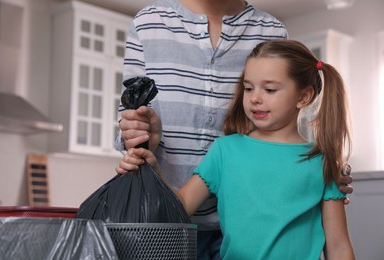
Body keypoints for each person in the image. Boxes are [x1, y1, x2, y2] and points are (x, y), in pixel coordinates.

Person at [116, 0, 353, 258]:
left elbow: (338, 246)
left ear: (304, 97)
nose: (254, 98)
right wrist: (151, 167)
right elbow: (180, 204)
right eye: (248, 88)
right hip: (173, 233)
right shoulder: (226, 151)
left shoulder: (321, 162)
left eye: (269, 89)